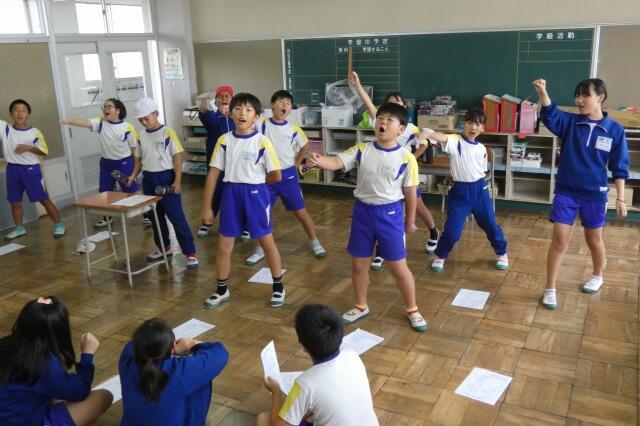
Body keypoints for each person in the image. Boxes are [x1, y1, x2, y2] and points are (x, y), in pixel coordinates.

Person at [309, 102, 428, 332]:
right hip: (362, 213)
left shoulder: (406, 158)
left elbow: (410, 192)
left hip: (390, 214)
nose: (383, 122)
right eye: (380, 118)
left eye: (389, 120)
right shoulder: (362, 149)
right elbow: (336, 162)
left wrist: (410, 220)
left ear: (401, 129)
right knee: (359, 264)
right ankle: (361, 305)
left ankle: (412, 309)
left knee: (398, 267)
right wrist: (318, 160)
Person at [533, 78, 629, 309]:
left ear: (600, 98)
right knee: (559, 240)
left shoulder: (615, 130)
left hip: (595, 194)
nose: (579, 100)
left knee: (594, 240)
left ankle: (598, 275)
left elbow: (620, 167)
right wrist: (543, 92)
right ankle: (550, 288)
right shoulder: (571, 122)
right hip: (566, 191)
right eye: (577, 95)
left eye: (585, 95)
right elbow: (551, 115)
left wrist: (621, 198)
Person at [201, 93, 285, 308]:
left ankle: (278, 286)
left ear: (256, 117)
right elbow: (213, 174)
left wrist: (257, 182)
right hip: (230, 194)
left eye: (248, 110)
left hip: (256, 194)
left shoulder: (262, 142)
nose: (242, 113)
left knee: (266, 242)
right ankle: (222, 290)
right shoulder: (224, 140)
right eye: (238, 108)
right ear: (230, 113)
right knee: (224, 246)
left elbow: (276, 175)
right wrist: (207, 207)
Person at [350, 71, 439, 271]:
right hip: (384, 177)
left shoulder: (409, 128)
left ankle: (433, 230)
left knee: (418, 206)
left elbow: (425, 143)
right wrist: (357, 85)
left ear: (404, 107)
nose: (392, 109)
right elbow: (368, 104)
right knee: (384, 215)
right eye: (389, 105)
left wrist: (412, 160)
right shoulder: (382, 120)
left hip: (402, 175)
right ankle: (381, 252)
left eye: (397, 104)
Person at [257, 304, 378, 426]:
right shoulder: (352, 355)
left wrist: (276, 392)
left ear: (303, 346)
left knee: (263, 419)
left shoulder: (304, 383)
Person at [0, 296, 112, 426]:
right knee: (103, 396)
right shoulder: (44, 363)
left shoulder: (5, 345)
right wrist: (87, 355)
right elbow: (81, 391)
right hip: (25, 422)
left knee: (57, 394)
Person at [245, 90, 326, 265]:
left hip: (288, 176)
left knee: (301, 212)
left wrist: (297, 162)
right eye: (281, 102)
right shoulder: (261, 124)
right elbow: (247, 120)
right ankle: (260, 249)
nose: (285, 105)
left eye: (288, 103)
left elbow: (305, 145)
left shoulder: (293, 128)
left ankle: (315, 242)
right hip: (267, 177)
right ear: (272, 105)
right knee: (263, 214)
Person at [426, 109, 508, 273]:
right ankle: (440, 255)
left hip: (479, 190)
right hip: (459, 192)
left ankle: (502, 253)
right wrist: (429, 134)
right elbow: (443, 137)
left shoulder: (482, 148)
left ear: (482, 128)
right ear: (464, 125)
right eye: (470, 123)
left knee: (490, 225)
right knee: (452, 231)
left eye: (478, 124)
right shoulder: (456, 141)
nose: (473, 127)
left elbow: (482, 171)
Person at [126, 97, 199, 269]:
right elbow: (139, 160)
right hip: (149, 180)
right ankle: (164, 248)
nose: (144, 122)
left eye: (146, 118)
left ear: (156, 114)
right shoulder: (140, 136)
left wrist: (177, 181)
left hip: (167, 178)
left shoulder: (168, 132)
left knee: (176, 217)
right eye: (140, 120)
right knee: (155, 217)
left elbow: (177, 158)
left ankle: (190, 253)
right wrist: (132, 176)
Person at [119, 318, 228, 426]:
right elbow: (220, 353)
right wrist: (194, 345)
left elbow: (132, 344)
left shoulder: (127, 360)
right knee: (200, 379)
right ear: (172, 347)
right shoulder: (178, 371)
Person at [59, 98, 140, 228]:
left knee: (130, 189)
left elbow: (134, 152)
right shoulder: (101, 122)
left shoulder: (128, 128)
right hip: (106, 164)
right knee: (104, 191)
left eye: (109, 106)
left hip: (123, 163)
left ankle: (147, 215)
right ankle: (107, 218)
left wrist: (134, 171)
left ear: (118, 110)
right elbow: (86, 122)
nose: (105, 109)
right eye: (104, 107)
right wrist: (68, 121)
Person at [1, 99, 65, 240]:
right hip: (12, 169)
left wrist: (28, 148)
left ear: (28, 114)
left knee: (43, 199)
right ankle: (19, 228)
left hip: (31, 170)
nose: (20, 113)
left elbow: (45, 151)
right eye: (16, 110)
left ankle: (59, 225)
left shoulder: (35, 132)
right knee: (14, 201)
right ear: (11, 113)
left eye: (23, 110)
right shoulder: (5, 129)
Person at [196, 85, 243, 238]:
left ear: (232, 99)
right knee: (215, 191)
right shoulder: (212, 116)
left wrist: (232, 115)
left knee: (237, 195)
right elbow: (203, 109)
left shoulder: (237, 116)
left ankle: (244, 225)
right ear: (216, 100)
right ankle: (207, 221)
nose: (223, 99)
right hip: (217, 162)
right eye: (220, 96)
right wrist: (206, 102)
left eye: (226, 96)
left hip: (235, 163)